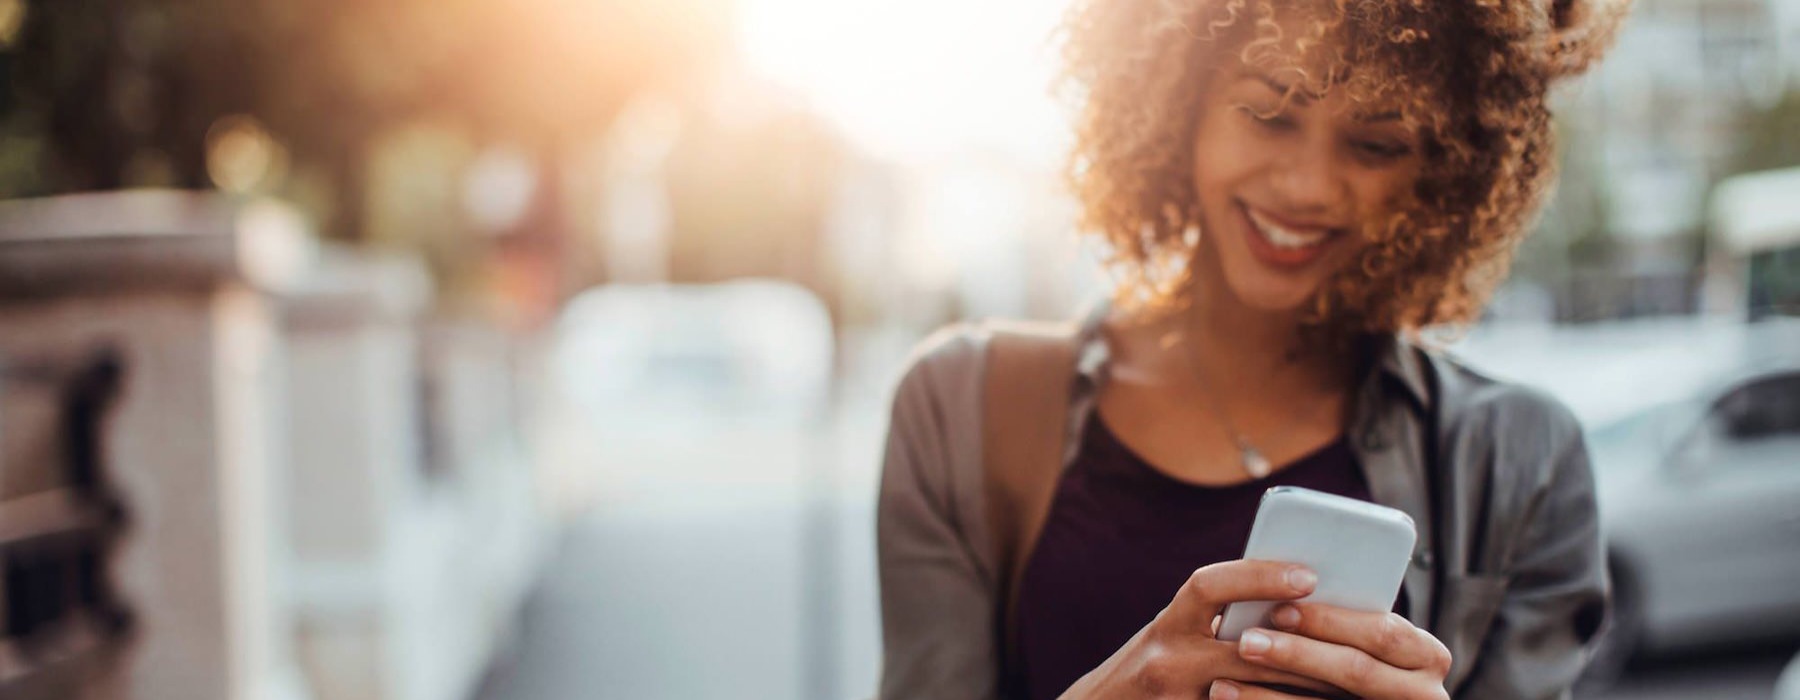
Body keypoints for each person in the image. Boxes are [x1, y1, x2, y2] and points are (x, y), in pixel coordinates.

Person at [875, 0, 1631, 698]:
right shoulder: (964, 406)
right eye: (1269, 114)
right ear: (1179, 102)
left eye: (1376, 144)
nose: (1307, 186)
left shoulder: (1523, 461)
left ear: (1444, 170)